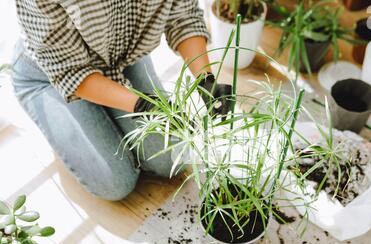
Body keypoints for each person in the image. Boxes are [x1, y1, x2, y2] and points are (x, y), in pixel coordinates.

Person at [11, 0, 231, 201]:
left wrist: (205, 79)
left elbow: (183, 14)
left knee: (174, 158)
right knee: (116, 183)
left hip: (122, 52)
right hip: (53, 71)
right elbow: (69, 70)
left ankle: (110, 108)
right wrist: (145, 106)